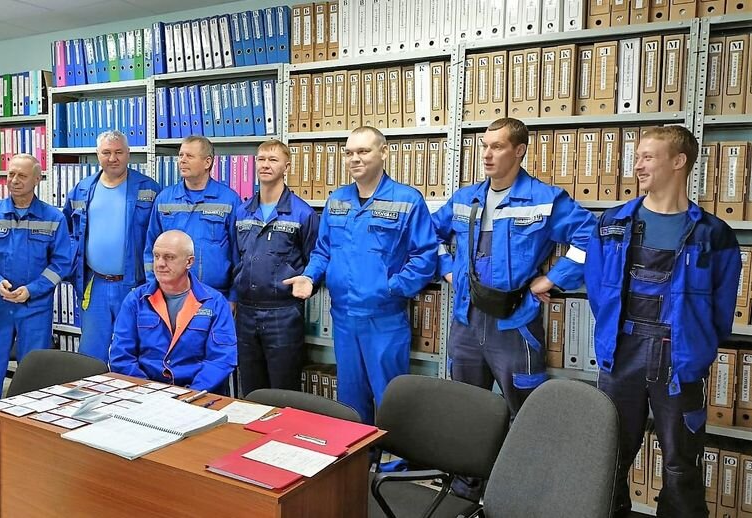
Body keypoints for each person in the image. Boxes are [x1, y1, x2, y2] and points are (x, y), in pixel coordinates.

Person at [430, 117, 595, 498]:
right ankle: (465, 492)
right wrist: (448, 269)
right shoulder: (465, 199)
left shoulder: (545, 199)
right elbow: (427, 234)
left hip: (515, 326)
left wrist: (551, 280)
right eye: (485, 146)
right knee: (467, 411)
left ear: (519, 150)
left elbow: (589, 236)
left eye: (498, 146)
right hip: (467, 323)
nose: (487, 154)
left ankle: (521, 494)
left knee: (525, 414)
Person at [586, 126, 741, 518]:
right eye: (637, 157)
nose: (638, 165)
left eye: (648, 157)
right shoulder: (612, 224)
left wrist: (694, 349)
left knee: (681, 465)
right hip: (621, 356)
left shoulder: (714, 235)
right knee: (608, 459)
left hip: (679, 362)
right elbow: (597, 291)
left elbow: (721, 313)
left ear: (678, 161)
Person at [283, 126, 439, 424]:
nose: (354, 159)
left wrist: (391, 288)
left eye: (363, 151)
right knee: (350, 403)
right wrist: (310, 277)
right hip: (343, 319)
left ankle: (392, 454)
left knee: (392, 401)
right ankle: (359, 453)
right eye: (349, 153)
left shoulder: (407, 200)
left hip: (384, 320)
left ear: (384, 152)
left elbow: (425, 257)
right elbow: (323, 251)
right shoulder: (337, 200)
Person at [0, 154, 72, 435]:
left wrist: (32, 290)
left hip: (35, 308)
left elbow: (61, 263)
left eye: (22, 176)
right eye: (10, 174)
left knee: (33, 371)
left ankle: (26, 432)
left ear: (37, 179)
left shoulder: (54, 218)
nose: (14, 181)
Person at [64, 130, 161, 361]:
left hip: (134, 286)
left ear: (128, 154)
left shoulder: (149, 189)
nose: (112, 158)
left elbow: (159, 236)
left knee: (133, 352)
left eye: (119, 152)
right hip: (94, 285)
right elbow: (68, 233)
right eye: (106, 152)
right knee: (91, 354)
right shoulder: (82, 189)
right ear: (97, 154)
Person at [233, 140, 319, 396]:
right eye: (261, 159)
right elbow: (235, 258)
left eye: (273, 160)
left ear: (286, 167)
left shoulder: (303, 214)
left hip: (283, 313)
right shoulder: (242, 212)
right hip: (246, 312)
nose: (265, 165)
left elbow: (316, 259)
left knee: (284, 391)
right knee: (251, 391)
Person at [110, 230, 237, 393]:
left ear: (189, 262)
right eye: (156, 256)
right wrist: (148, 392)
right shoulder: (135, 300)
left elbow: (221, 359)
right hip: (145, 393)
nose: (160, 263)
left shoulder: (215, 303)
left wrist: (190, 394)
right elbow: (121, 356)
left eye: (169, 257)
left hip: (197, 395)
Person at [144, 136, 241, 307]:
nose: (182, 160)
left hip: (215, 296)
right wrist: (154, 289)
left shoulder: (229, 200)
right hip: (170, 296)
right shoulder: (164, 199)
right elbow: (150, 248)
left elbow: (238, 253)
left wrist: (234, 297)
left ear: (207, 162)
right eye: (180, 155)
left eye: (189, 156)